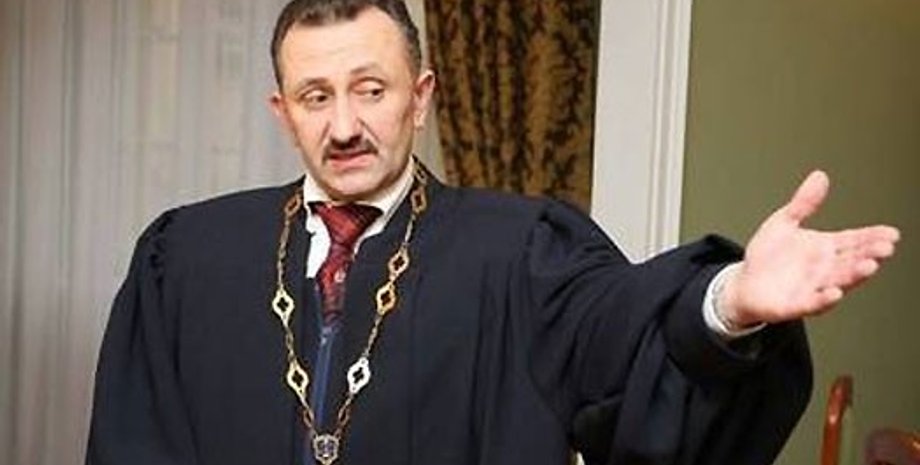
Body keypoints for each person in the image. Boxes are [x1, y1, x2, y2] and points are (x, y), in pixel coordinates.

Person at [84, 1, 900, 465]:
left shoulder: (522, 251)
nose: (345, 126)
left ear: (422, 96)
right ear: (282, 111)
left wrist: (728, 302)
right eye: (315, 96)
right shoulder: (185, 259)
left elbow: (621, 328)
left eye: (371, 89)